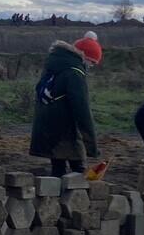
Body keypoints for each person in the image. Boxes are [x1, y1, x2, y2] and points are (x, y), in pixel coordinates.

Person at [29, 31, 101, 176]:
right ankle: (75, 195)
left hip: (46, 123)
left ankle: (53, 195)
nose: (91, 66)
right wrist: (91, 145)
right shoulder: (75, 73)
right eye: (92, 62)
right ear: (85, 57)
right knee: (77, 168)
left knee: (58, 166)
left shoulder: (55, 64)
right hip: (64, 129)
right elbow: (82, 110)